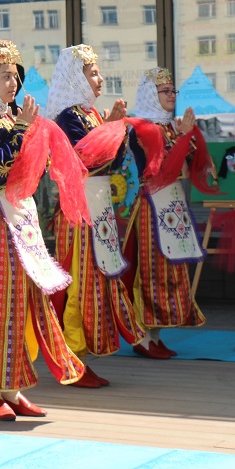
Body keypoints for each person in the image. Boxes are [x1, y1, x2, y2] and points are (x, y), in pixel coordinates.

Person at [0, 40, 86, 421]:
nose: (13, 83)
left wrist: (25, 133)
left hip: (20, 220)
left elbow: (28, 172)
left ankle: (12, 388)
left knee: (22, 306)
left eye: (15, 76)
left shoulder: (8, 120)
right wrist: (22, 132)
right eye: (5, 75)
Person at [44, 45, 144, 388]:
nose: (100, 79)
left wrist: (113, 129)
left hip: (98, 207)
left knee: (96, 282)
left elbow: (114, 163)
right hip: (79, 211)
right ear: (75, 77)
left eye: (98, 72)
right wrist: (113, 129)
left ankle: (80, 356)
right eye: (92, 73)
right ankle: (73, 357)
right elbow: (80, 161)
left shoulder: (91, 115)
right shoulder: (66, 117)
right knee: (81, 282)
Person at [122, 68, 213, 358]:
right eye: (165, 91)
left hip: (172, 202)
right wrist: (185, 137)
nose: (172, 96)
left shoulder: (169, 127)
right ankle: (142, 336)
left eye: (173, 91)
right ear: (151, 94)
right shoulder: (143, 128)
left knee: (171, 268)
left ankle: (155, 334)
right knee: (151, 271)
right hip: (152, 203)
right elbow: (163, 167)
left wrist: (189, 136)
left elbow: (188, 160)